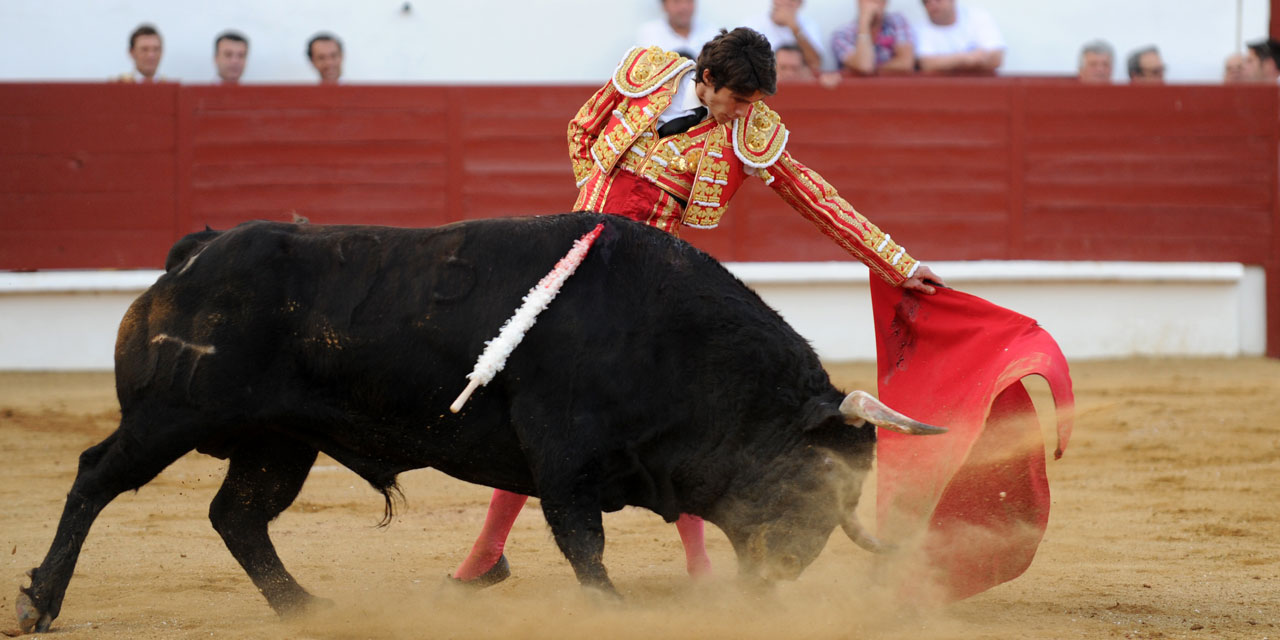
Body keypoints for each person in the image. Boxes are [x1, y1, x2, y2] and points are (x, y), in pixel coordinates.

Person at [450, 27, 944, 588]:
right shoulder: (647, 72)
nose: (742, 113)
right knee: (544, 413)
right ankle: (489, 553)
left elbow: (814, 196)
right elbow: (582, 129)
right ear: (706, 80)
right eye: (737, 99)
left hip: (646, 295)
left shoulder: (748, 132)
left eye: (752, 103)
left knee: (678, 422)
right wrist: (592, 216)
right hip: (573, 275)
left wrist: (897, 263)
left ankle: (696, 563)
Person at [914, 0, 1004, 74]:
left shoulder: (978, 18)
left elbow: (996, 58)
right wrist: (967, 58)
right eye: (926, 2)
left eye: (938, 0)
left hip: (982, 88)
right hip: (941, 90)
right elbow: (926, 65)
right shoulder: (919, 29)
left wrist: (945, 63)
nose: (932, 4)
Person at [831, 0, 915, 76]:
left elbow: (906, 63)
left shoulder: (897, 21)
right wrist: (864, 22)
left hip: (893, 90)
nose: (875, 3)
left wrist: (872, 70)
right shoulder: (842, 34)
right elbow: (864, 66)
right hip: (859, 91)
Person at [743, 0, 826, 75]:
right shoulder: (752, 24)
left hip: (797, 84)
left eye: (792, 0)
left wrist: (795, 28)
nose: (786, 3)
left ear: (800, 3)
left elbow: (815, 63)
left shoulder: (809, 25)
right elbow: (744, 64)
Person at [635, 0, 719, 58]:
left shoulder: (711, 32)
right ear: (664, 5)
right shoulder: (649, 34)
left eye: (689, 1)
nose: (684, 7)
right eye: (677, 1)